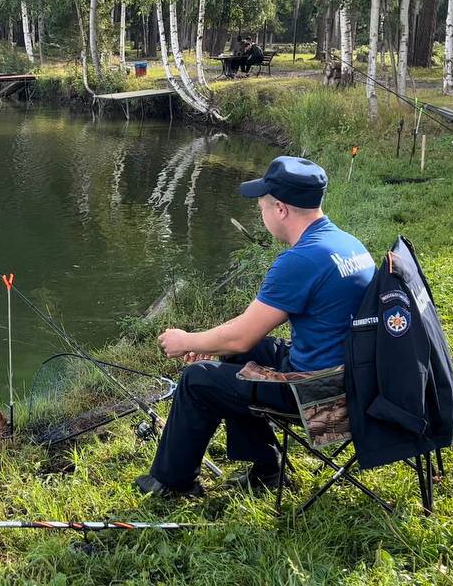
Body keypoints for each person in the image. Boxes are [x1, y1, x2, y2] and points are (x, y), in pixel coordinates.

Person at [133, 156, 376, 498]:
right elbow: (248, 327)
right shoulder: (345, 244)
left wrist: (186, 339)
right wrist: (211, 342)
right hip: (353, 383)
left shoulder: (301, 261)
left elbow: (241, 335)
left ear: (280, 209)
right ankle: (267, 469)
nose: (259, 215)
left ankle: (171, 484)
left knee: (197, 379)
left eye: (261, 206)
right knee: (241, 354)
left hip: (325, 404)